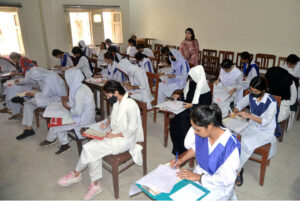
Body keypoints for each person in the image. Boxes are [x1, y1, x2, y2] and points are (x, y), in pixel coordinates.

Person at [57, 80, 144, 200]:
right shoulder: (118, 101)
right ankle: (94, 184)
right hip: (115, 135)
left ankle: (76, 173)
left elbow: (131, 130)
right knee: (93, 150)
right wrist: (107, 124)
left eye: (108, 96)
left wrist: (113, 135)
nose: (108, 99)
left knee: (89, 148)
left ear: (116, 92)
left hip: (126, 140)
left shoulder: (131, 105)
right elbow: (113, 117)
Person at [170, 104, 241, 200]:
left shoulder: (230, 145)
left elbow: (226, 179)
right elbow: (197, 147)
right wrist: (181, 160)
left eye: (197, 129)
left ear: (210, 126)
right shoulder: (203, 133)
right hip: (200, 174)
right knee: (175, 190)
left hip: (219, 187)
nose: (195, 132)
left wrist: (199, 178)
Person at [233, 77, 278, 186]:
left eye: (256, 91)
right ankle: (232, 163)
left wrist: (248, 115)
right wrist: (235, 111)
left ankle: (237, 171)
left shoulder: (271, 102)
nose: (253, 93)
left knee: (245, 144)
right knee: (233, 137)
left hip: (265, 131)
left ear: (263, 90)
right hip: (252, 125)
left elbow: (266, 122)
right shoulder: (250, 96)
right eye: (251, 90)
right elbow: (239, 104)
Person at [40, 69, 95, 155]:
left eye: (67, 78)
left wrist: (65, 105)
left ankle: (63, 144)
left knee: (56, 124)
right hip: (85, 115)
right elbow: (78, 103)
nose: (66, 81)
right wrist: (68, 100)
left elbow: (77, 112)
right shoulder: (82, 87)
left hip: (82, 120)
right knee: (56, 118)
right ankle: (52, 139)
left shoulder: (79, 92)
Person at [170, 65, 212, 155]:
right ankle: (177, 148)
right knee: (174, 121)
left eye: (192, 78)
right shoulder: (192, 83)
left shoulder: (205, 89)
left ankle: (185, 149)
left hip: (199, 113)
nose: (190, 80)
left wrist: (192, 105)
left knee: (182, 122)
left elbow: (205, 107)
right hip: (187, 108)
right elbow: (187, 97)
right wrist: (180, 96)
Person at [16, 67, 67, 140]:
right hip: (49, 97)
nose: (36, 80)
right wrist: (35, 92)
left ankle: (24, 99)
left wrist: (33, 94)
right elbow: (42, 90)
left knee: (32, 101)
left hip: (57, 99)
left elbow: (46, 94)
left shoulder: (51, 78)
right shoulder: (44, 75)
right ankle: (29, 129)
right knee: (28, 104)